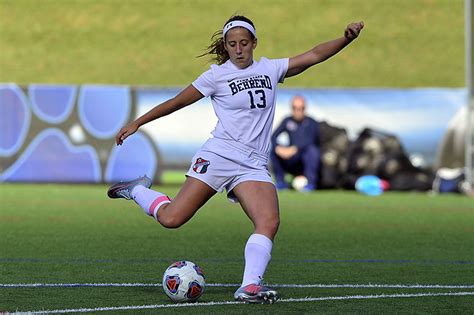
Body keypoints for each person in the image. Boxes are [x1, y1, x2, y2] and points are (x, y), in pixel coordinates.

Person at [107, 15, 364, 304]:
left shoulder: (270, 68)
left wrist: (346, 39)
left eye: (244, 43)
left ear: (254, 42)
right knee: (172, 218)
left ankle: (249, 286)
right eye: (232, 44)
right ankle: (137, 189)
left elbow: (314, 55)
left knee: (269, 221)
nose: (239, 49)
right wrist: (138, 122)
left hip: (252, 164)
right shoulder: (216, 76)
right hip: (219, 155)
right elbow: (177, 102)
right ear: (226, 47)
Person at [270, 95, 321, 191]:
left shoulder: (311, 123)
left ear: (304, 109)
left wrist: (295, 148)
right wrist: (279, 148)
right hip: (291, 159)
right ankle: (280, 182)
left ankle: (310, 183)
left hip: (304, 161)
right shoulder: (287, 121)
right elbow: (273, 136)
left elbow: (311, 140)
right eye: (295, 108)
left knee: (313, 151)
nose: (298, 111)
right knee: (274, 150)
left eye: (301, 108)